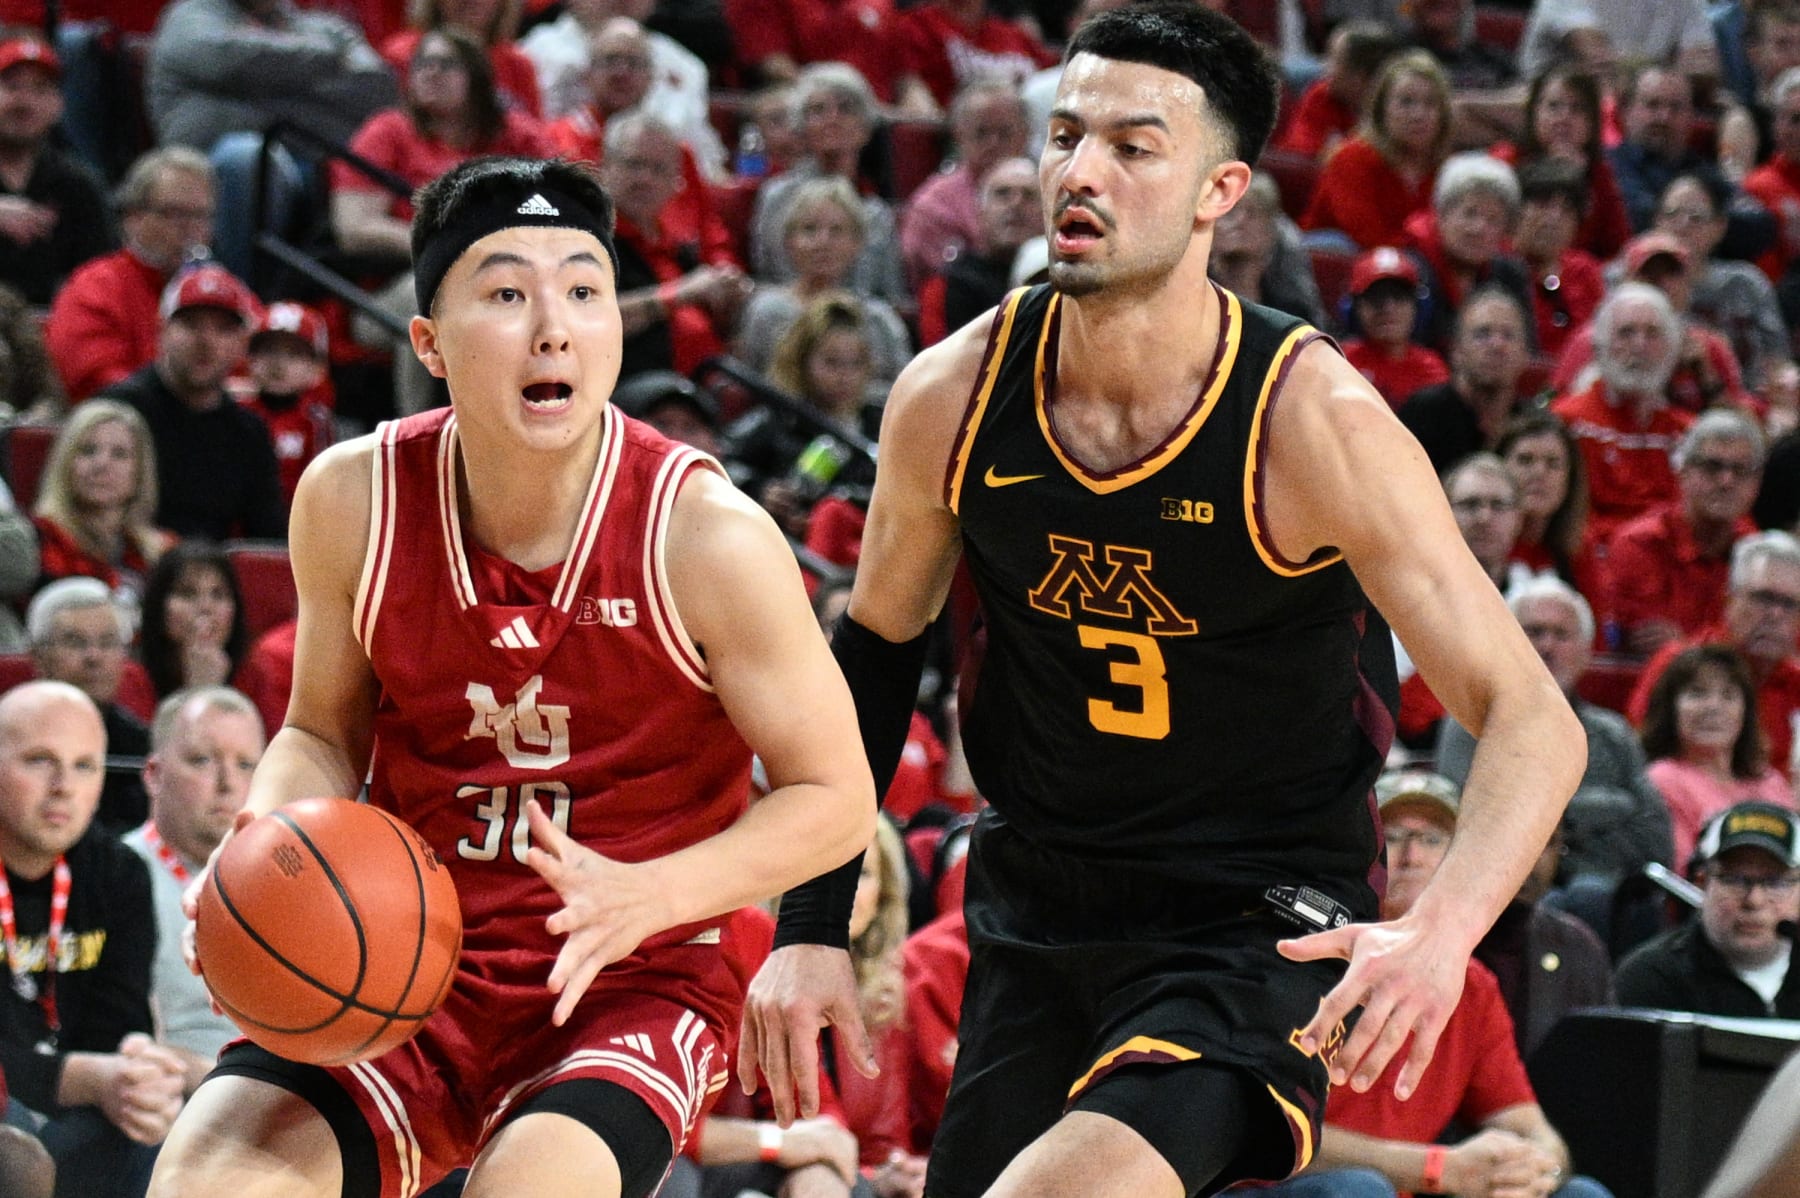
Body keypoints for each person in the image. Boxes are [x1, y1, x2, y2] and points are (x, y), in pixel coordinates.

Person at [737, 8, 1586, 1198]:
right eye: (1066, 135)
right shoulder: (954, 395)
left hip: (1254, 913)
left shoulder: (1313, 423)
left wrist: (1438, 931)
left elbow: (1535, 715)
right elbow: (874, 663)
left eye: (1134, 147)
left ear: (1219, 190)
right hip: (1036, 899)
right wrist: (813, 923)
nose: (1081, 172)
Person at [145, 154, 874, 1198]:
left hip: (634, 971)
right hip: (407, 954)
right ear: (430, 345)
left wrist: (649, 894)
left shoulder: (706, 537)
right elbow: (320, 731)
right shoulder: (354, 498)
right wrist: (262, 850)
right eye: (506, 292)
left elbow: (836, 795)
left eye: (584, 288)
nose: (554, 324)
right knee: (208, 1178)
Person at [1255, 770, 1610, 1198]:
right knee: (1357, 1190)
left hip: (1400, 1186)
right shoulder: (1302, 955)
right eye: (1394, 835)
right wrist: (1436, 1167)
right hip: (1279, 1187)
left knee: (1579, 1194)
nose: (1411, 857)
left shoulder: (1473, 985)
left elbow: (1532, 1129)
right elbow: (1264, 1133)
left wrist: (1535, 1170)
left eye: (1433, 840)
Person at [0, 680, 187, 1198]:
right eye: (40, 761)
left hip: (76, 1110)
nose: (64, 785)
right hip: (13, 1105)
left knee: (154, 1129)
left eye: (85, 766)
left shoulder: (118, 873)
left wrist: (137, 1072)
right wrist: (92, 1077)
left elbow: (122, 1022)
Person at [1438, 576, 1673, 888]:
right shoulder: (1470, 724)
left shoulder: (1614, 734)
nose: (1547, 647)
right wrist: (1612, 807)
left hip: (1606, 900)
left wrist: (1554, 827)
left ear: (1586, 651)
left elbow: (1655, 840)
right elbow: (1476, 827)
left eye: (1561, 634)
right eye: (1534, 632)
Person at [123, 688, 263, 1097]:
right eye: (202, 760)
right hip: (170, 1104)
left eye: (246, 764)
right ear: (153, 774)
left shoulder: (292, 883)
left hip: (278, 1101)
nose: (227, 783)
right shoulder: (113, 874)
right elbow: (127, 1044)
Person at [98, 264, 286, 542]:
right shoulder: (117, 411)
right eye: (191, 324)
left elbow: (268, 537)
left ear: (242, 344)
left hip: (210, 579)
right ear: (161, 330)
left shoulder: (249, 433)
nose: (205, 341)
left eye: (223, 329)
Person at [43, 148, 215, 403]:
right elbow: (95, 382)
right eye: (174, 214)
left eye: (200, 215)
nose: (190, 228)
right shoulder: (96, 287)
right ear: (133, 218)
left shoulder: (221, 292)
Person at [1627, 531, 1800, 778]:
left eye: (1790, 604)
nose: (1775, 615)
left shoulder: (1797, 683)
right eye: (1763, 598)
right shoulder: (1678, 666)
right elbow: (1642, 756)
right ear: (1728, 600)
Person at [1616, 800, 1800, 1016]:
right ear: (1701, 883)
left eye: (1775, 883)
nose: (1754, 901)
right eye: (1734, 880)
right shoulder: (1653, 975)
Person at [1605, 410, 1765, 657]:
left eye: (1741, 470)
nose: (1726, 481)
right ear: (1683, 471)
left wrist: (1687, 644)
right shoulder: (1639, 545)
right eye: (1712, 466)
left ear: (1756, 483)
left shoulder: (1761, 561)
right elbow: (1649, 644)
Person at [144, 0, 397, 152]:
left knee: (364, 155)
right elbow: (227, 61)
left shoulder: (326, 28)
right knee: (243, 155)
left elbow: (376, 86)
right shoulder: (189, 17)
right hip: (209, 160)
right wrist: (326, 61)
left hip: (311, 151)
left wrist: (268, 83)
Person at [750, 64, 907, 307]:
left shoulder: (877, 214)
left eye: (846, 108)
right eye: (818, 110)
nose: (832, 119)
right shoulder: (777, 196)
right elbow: (765, 273)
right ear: (801, 127)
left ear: (865, 129)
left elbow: (890, 295)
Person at [1550, 281, 1694, 542]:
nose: (1639, 345)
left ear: (1672, 348)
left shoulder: (1689, 434)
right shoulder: (1566, 422)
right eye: (1626, 333)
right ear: (1599, 346)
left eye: (1652, 334)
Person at [737, 176, 912, 383]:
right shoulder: (767, 313)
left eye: (836, 231)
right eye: (809, 229)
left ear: (857, 243)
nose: (823, 243)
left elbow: (902, 394)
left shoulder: (879, 321)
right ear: (789, 241)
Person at [1641, 644, 1794, 867]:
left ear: (1746, 712)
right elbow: (1680, 872)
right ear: (1670, 708)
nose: (1713, 707)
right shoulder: (1662, 780)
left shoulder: (1771, 782)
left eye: (1728, 695)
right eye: (1697, 693)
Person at [24, 580, 154, 833]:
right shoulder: (12, 741)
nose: (94, 656)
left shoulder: (142, 747)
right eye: (76, 643)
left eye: (107, 642)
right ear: (38, 657)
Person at [0, 35, 115, 307]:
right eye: (12, 87)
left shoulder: (79, 186)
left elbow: (101, 278)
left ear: (58, 106)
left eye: (40, 89)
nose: (25, 102)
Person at [1300, 49, 1452, 251]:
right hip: (1340, 264)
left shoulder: (1449, 169)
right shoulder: (1350, 158)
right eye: (1406, 102)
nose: (1418, 115)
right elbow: (1368, 236)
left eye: (1430, 104)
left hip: (1419, 268)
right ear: (1382, 110)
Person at [29, 401, 174, 606]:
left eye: (119, 454)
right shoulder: (37, 543)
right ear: (65, 464)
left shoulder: (163, 552)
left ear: (140, 472)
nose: (102, 464)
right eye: (88, 450)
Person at [1491, 65, 1632, 261]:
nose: (1564, 118)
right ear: (1534, 112)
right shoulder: (1504, 162)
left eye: (1577, 108)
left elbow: (1618, 249)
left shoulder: (1599, 172)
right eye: (1553, 106)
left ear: (1593, 121)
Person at [898, 80, 1029, 290]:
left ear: (1025, 134)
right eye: (982, 133)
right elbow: (941, 282)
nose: (994, 143)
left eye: (1004, 133)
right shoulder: (933, 206)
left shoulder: (1048, 191)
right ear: (959, 135)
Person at [1395, 285, 1533, 474]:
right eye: (1482, 334)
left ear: (1526, 355)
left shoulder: (1531, 423)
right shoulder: (1422, 415)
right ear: (1456, 351)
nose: (1497, 346)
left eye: (1508, 335)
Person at [240, 301, 336, 511]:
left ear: (317, 368)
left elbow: (320, 490)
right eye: (268, 350)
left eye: (294, 354)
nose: (278, 363)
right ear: (250, 358)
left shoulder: (316, 422)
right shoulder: (238, 411)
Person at [1511, 158, 1606, 360]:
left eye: (1567, 210)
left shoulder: (1585, 271)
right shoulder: (1495, 266)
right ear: (1517, 210)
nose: (1554, 218)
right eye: (1542, 204)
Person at [1272, 21, 1400, 161]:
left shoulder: (1399, 108)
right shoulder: (1321, 95)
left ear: (1359, 77)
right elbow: (1295, 151)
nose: (1325, 67)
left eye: (1334, 60)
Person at [1339, 247, 1447, 411]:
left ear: (1419, 307)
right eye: (1375, 298)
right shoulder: (1340, 361)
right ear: (1354, 309)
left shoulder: (1431, 369)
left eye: (1399, 296)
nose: (1388, 308)